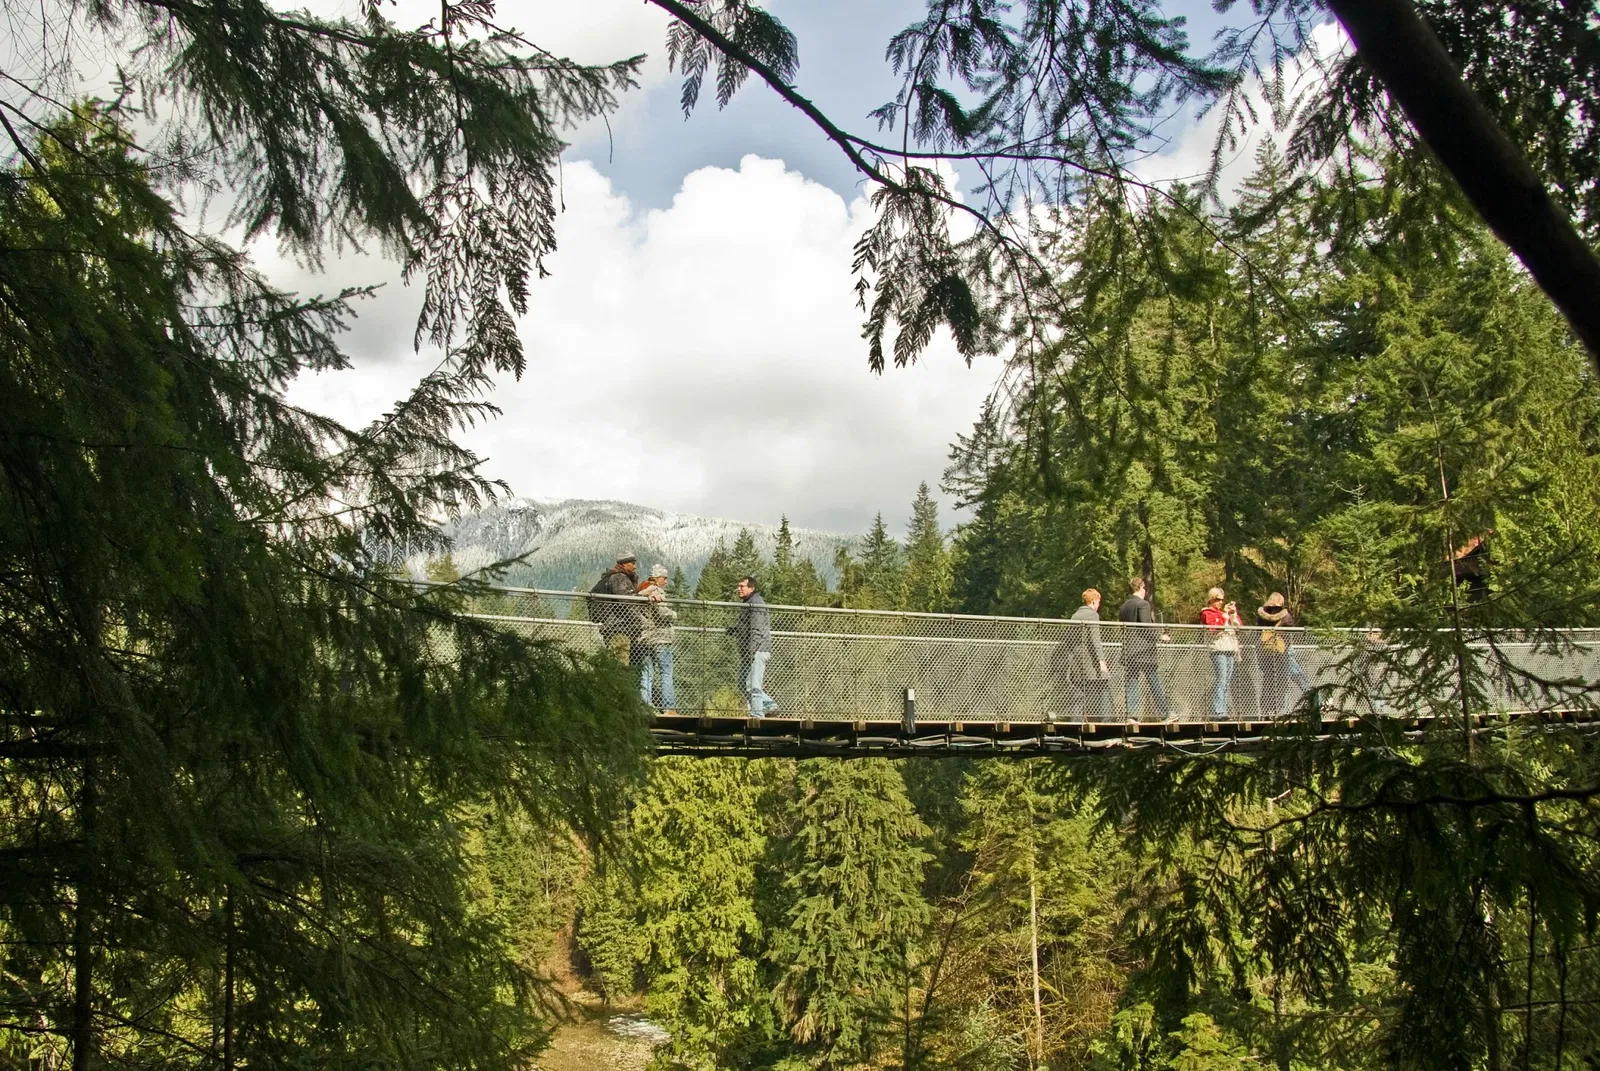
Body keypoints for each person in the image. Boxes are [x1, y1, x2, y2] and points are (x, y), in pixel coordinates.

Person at [1053, 588, 1110, 720]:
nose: (1099, 605)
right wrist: (1101, 661)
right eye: (1098, 602)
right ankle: (1104, 721)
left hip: (1076, 662)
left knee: (1079, 695)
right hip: (1090, 662)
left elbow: (1069, 639)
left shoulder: (1075, 616)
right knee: (1102, 689)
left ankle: (1075, 723)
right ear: (1094, 601)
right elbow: (1095, 639)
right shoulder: (1092, 615)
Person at [1117, 576, 1170, 718]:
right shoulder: (1143, 604)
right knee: (1154, 680)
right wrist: (1161, 636)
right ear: (1142, 588)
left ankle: (1132, 715)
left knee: (1132, 682)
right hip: (1144, 651)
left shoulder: (1124, 606)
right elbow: (1146, 626)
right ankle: (1164, 712)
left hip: (1130, 650)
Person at [1255, 592, 1313, 716]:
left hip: (1266, 653)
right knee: (1288, 680)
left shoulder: (1261, 614)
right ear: (1281, 602)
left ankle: (1267, 710)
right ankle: (1307, 704)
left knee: (1269, 682)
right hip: (1283, 652)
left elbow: (1257, 631)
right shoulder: (1284, 615)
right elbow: (1291, 626)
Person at [732, 575, 777, 717]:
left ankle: (757, 715)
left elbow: (756, 629)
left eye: (742, 586)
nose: (738, 589)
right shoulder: (748, 602)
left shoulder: (756, 603)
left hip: (757, 650)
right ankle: (769, 704)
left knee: (753, 684)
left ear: (751, 588)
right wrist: (734, 630)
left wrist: (751, 651)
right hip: (750, 651)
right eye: (738, 586)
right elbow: (747, 626)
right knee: (742, 684)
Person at [635, 564, 678, 713]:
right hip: (661, 638)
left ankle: (645, 707)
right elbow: (663, 613)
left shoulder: (640, 593)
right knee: (666, 673)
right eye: (664, 578)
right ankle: (669, 707)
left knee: (647, 674)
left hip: (645, 639)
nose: (666, 582)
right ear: (657, 578)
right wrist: (674, 614)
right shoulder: (656, 591)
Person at [589, 554, 643, 660]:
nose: (635, 566)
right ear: (624, 564)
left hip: (614, 626)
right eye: (632, 563)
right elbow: (627, 599)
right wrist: (644, 596)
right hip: (619, 627)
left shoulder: (613, 576)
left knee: (615, 659)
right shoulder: (619, 577)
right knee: (621, 661)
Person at [1199, 588, 1242, 718]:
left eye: (1222, 600)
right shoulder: (1207, 612)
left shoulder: (1223, 612)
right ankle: (1218, 710)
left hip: (1230, 648)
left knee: (1226, 680)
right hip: (1218, 648)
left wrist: (1233, 613)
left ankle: (1222, 710)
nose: (1220, 602)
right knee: (1221, 679)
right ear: (1211, 599)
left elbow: (1239, 626)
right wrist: (1224, 615)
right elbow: (1213, 628)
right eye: (1218, 599)